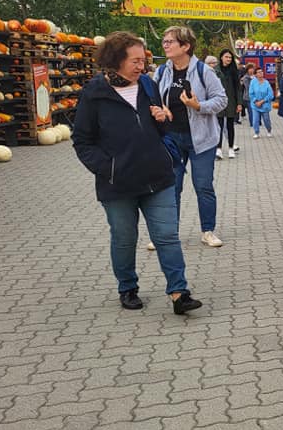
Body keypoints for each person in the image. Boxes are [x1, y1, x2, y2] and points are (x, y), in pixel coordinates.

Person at [72, 31, 202, 315]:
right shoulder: (94, 93)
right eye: (135, 61)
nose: (141, 66)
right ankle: (127, 287)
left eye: (143, 60)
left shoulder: (147, 84)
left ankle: (179, 293)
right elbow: (82, 141)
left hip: (157, 175)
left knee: (167, 235)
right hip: (117, 184)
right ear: (115, 60)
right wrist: (108, 167)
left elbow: (160, 125)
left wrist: (163, 121)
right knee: (124, 237)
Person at [156, 25, 228, 247]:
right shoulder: (161, 71)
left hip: (202, 139)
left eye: (170, 41)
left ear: (185, 46)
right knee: (171, 187)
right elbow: (153, 98)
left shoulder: (203, 71)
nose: (165, 45)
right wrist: (160, 109)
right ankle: (169, 234)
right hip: (171, 139)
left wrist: (199, 106)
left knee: (203, 185)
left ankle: (208, 231)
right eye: (164, 41)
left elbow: (221, 99)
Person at [215, 49, 242, 158]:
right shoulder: (216, 71)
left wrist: (239, 103)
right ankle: (218, 149)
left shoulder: (234, 71)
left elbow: (238, 88)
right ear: (221, 57)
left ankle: (231, 148)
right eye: (226, 57)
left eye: (230, 58)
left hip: (231, 101)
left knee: (230, 125)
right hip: (219, 101)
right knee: (219, 126)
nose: (228, 59)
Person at [248, 66, 275, 138]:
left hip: (265, 104)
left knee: (266, 119)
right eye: (259, 72)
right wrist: (256, 101)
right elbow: (251, 93)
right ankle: (256, 132)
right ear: (256, 74)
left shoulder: (266, 83)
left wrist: (262, 101)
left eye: (262, 72)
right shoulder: (253, 82)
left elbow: (270, 94)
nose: (261, 73)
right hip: (255, 104)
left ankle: (269, 130)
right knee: (255, 119)